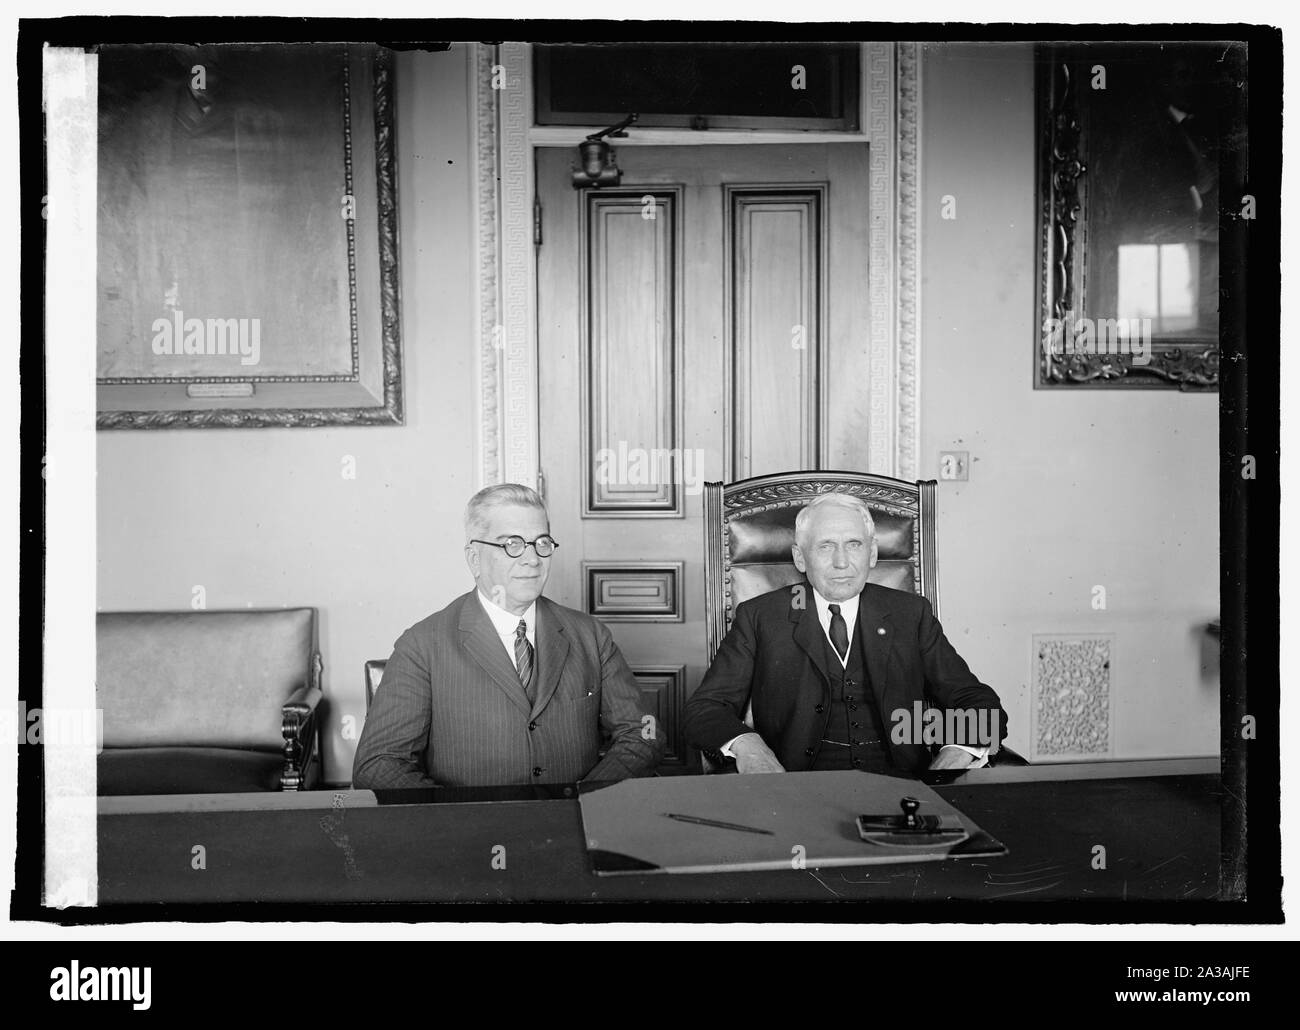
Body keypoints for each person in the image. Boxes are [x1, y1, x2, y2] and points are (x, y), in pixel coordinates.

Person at [353, 484, 664, 788]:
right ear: (474, 558)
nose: (532, 559)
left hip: (576, 826)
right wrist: (460, 820)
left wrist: (586, 800)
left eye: (541, 542)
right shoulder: (422, 645)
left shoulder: (590, 635)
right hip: (471, 832)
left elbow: (644, 732)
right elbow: (378, 763)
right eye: (512, 544)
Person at [684, 492, 1006, 776]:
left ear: (873, 553)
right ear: (800, 557)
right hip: (797, 789)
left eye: (854, 545)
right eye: (826, 546)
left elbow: (976, 701)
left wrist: (958, 751)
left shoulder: (911, 614)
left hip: (903, 789)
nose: (842, 562)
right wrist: (749, 746)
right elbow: (705, 708)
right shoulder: (760, 617)